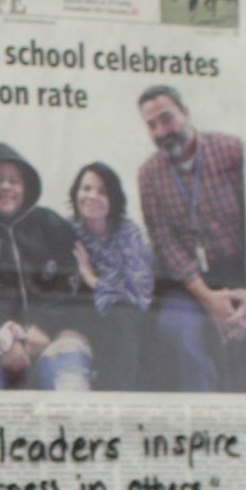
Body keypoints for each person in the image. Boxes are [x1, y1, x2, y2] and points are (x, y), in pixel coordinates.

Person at [0, 142, 97, 391]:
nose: (6, 186)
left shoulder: (50, 224)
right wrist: (2, 339)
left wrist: (44, 327)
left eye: (14, 180)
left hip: (45, 336)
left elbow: (72, 282)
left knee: (69, 372)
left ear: (26, 186)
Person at [135, 84, 246, 393]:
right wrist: (209, 299)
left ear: (186, 113)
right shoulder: (149, 175)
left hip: (242, 270)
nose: (161, 131)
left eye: (167, 118)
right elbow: (166, 244)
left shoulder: (231, 150)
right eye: (152, 125)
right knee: (176, 328)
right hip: (191, 281)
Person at [64, 160, 156, 390]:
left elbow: (140, 292)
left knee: (122, 315)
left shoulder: (128, 233)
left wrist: (93, 280)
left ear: (113, 199)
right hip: (81, 312)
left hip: (125, 317)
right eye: (86, 188)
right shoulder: (64, 230)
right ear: (76, 193)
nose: (92, 196)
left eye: (102, 191)